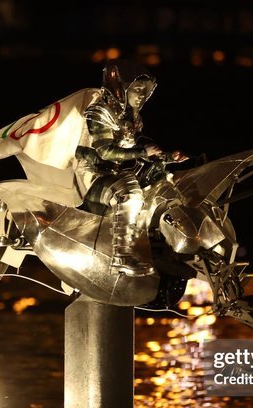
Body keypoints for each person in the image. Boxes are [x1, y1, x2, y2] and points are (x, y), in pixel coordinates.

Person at [75, 62, 187, 276]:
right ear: (121, 87)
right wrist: (143, 153)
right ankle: (121, 256)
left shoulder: (132, 117)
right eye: (137, 89)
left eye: (145, 92)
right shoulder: (99, 112)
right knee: (131, 194)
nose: (141, 96)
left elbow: (138, 146)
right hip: (92, 176)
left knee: (163, 182)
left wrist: (167, 157)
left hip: (117, 172)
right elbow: (105, 152)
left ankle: (161, 246)